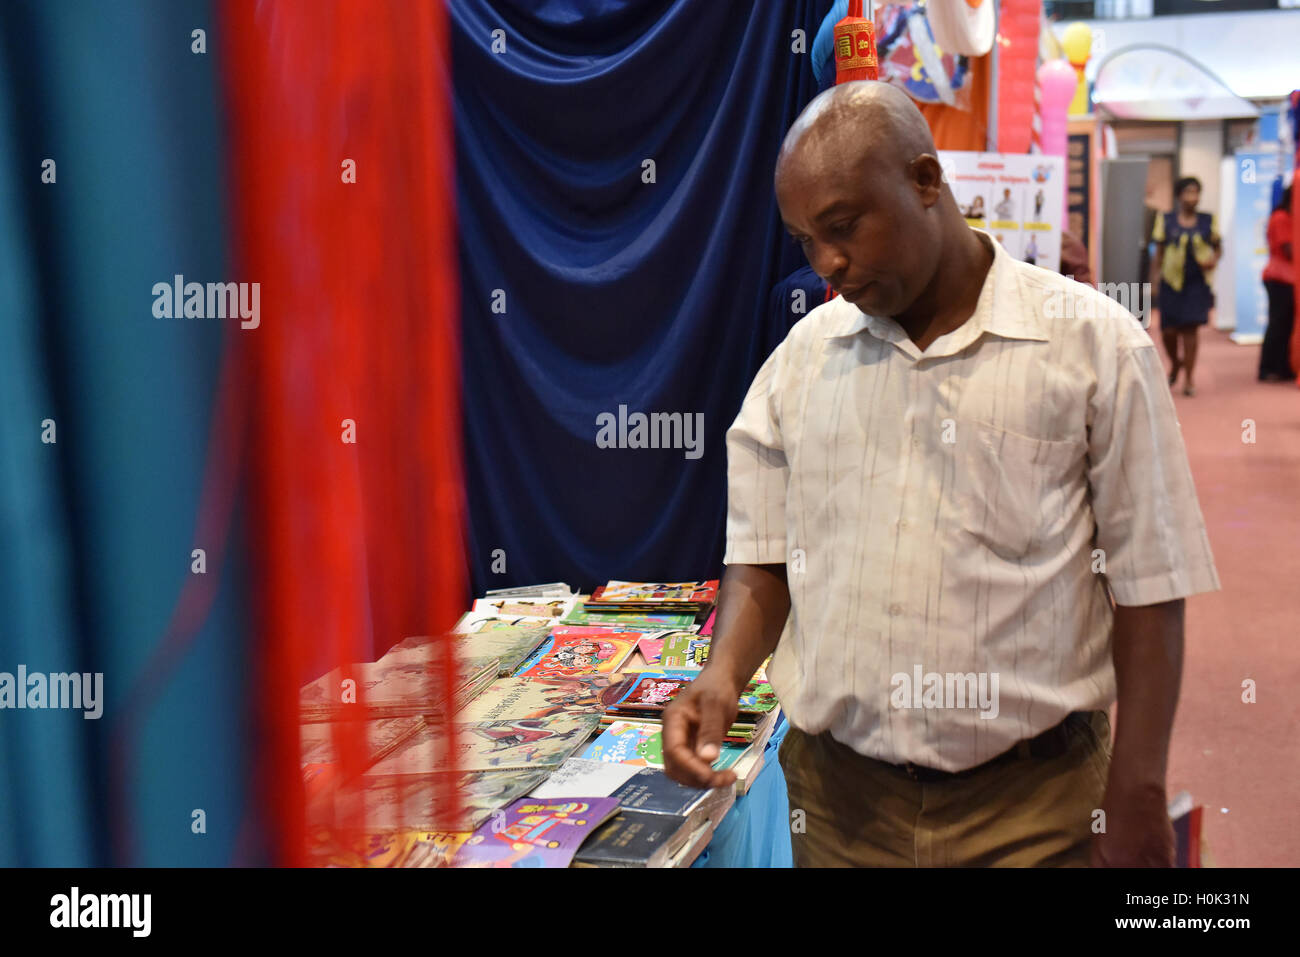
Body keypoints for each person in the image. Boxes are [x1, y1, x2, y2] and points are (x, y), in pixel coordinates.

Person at [662, 82, 1219, 867]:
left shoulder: (1094, 348)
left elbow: (1151, 584)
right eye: (803, 240)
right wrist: (722, 676)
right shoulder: (800, 363)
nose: (829, 262)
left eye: (844, 227)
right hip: (838, 809)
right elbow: (764, 555)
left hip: (1038, 812)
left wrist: (1138, 788)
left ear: (926, 182)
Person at [1151, 177, 1221, 397]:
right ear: (1180, 195)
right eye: (1189, 192)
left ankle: (1189, 378)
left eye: (1196, 192)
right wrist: (1154, 280)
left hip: (1197, 280)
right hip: (1171, 280)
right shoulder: (1166, 219)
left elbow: (1218, 247)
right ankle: (1176, 363)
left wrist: (1213, 260)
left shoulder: (1208, 220)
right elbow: (1159, 252)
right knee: (1168, 331)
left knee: (1190, 329)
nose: (1193, 197)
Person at [1258, 184, 1295, 382]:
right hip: (1279, 277)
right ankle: (1267, 368)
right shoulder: (1281, 218)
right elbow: (1289, 249)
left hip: (1288, 278)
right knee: (1278, 323)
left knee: (1286, 324)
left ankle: (1282, 367)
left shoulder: (1288, 217)